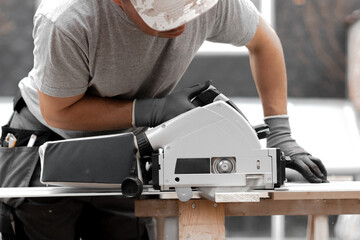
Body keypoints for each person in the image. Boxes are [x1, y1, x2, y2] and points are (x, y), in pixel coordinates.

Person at [1, 0, 328, 239]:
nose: (183, 26)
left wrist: (280, 134)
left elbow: (264, 43)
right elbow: (60, 111)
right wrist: (152, 111)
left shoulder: (208, 3)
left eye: (190, 10)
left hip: (126, 150)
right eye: (165, 17)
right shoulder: (68, 17)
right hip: (45, 143)